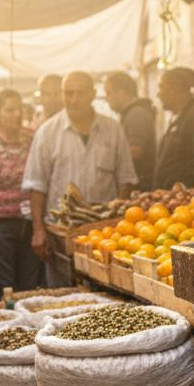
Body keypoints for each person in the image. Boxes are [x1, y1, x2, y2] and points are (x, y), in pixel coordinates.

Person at [24, 71, 137, 286]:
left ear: (93, 94)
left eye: (80, 93)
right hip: (60, 233)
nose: (73, 99)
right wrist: (38, 229)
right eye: (68, 93)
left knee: (105, 293)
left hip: (104, 234)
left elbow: (126, 178)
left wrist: (117, 217)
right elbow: (36, 184)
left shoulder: (112, 129)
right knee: (63, 295)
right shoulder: (47, 132)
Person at [0, 88, 42, 300]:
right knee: (4, 285)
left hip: (30, 222)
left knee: (29, 284)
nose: (17, 114)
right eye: (10, 109)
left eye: (19, 109)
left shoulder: (33, 138)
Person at [152, 67, 194, 189]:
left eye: (161, 87)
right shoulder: (180, 116)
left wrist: (184, 186)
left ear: (174, 88)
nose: (158, 94)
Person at [103, 71, 156, 187]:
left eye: (108, 93)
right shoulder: (131, 114)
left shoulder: (136, 114)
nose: (106, 99)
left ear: (121, 93)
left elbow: (135, 151)